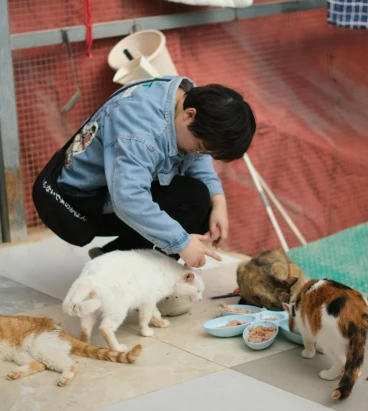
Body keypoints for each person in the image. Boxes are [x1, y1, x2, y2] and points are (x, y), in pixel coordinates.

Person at [32, 76, 256, 268]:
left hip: (112, 186)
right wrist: (181, 243)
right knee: (192, 204)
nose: (198, 154)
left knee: (201, 202)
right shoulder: (140, 132)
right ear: (189, 115)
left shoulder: (188, 97)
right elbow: (129, 199)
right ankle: (123, 272)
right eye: (199, 147)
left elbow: (197, 158)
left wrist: (219, 201)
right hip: (75, 203)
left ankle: (113, 259)